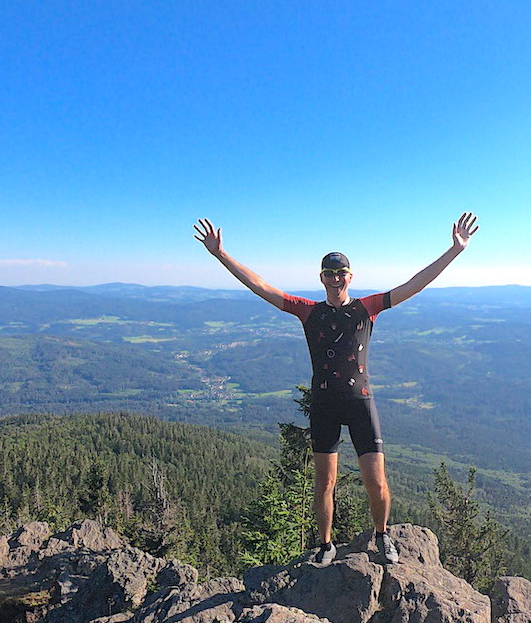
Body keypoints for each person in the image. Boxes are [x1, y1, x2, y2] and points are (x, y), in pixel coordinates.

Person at [194, 212, 479, 565]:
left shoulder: (367, 308)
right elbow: (261, 287)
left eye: (340, 273)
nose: (335, 278)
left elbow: (414, 285)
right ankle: (326, 545)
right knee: (324, 484)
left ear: (350, 276)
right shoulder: (308, 312)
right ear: (322, 278)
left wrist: (455, 251)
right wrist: (221, 255)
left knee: (377, 483)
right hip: (325, 405)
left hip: (360, 402)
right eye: (329, 273)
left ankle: (382, 535)